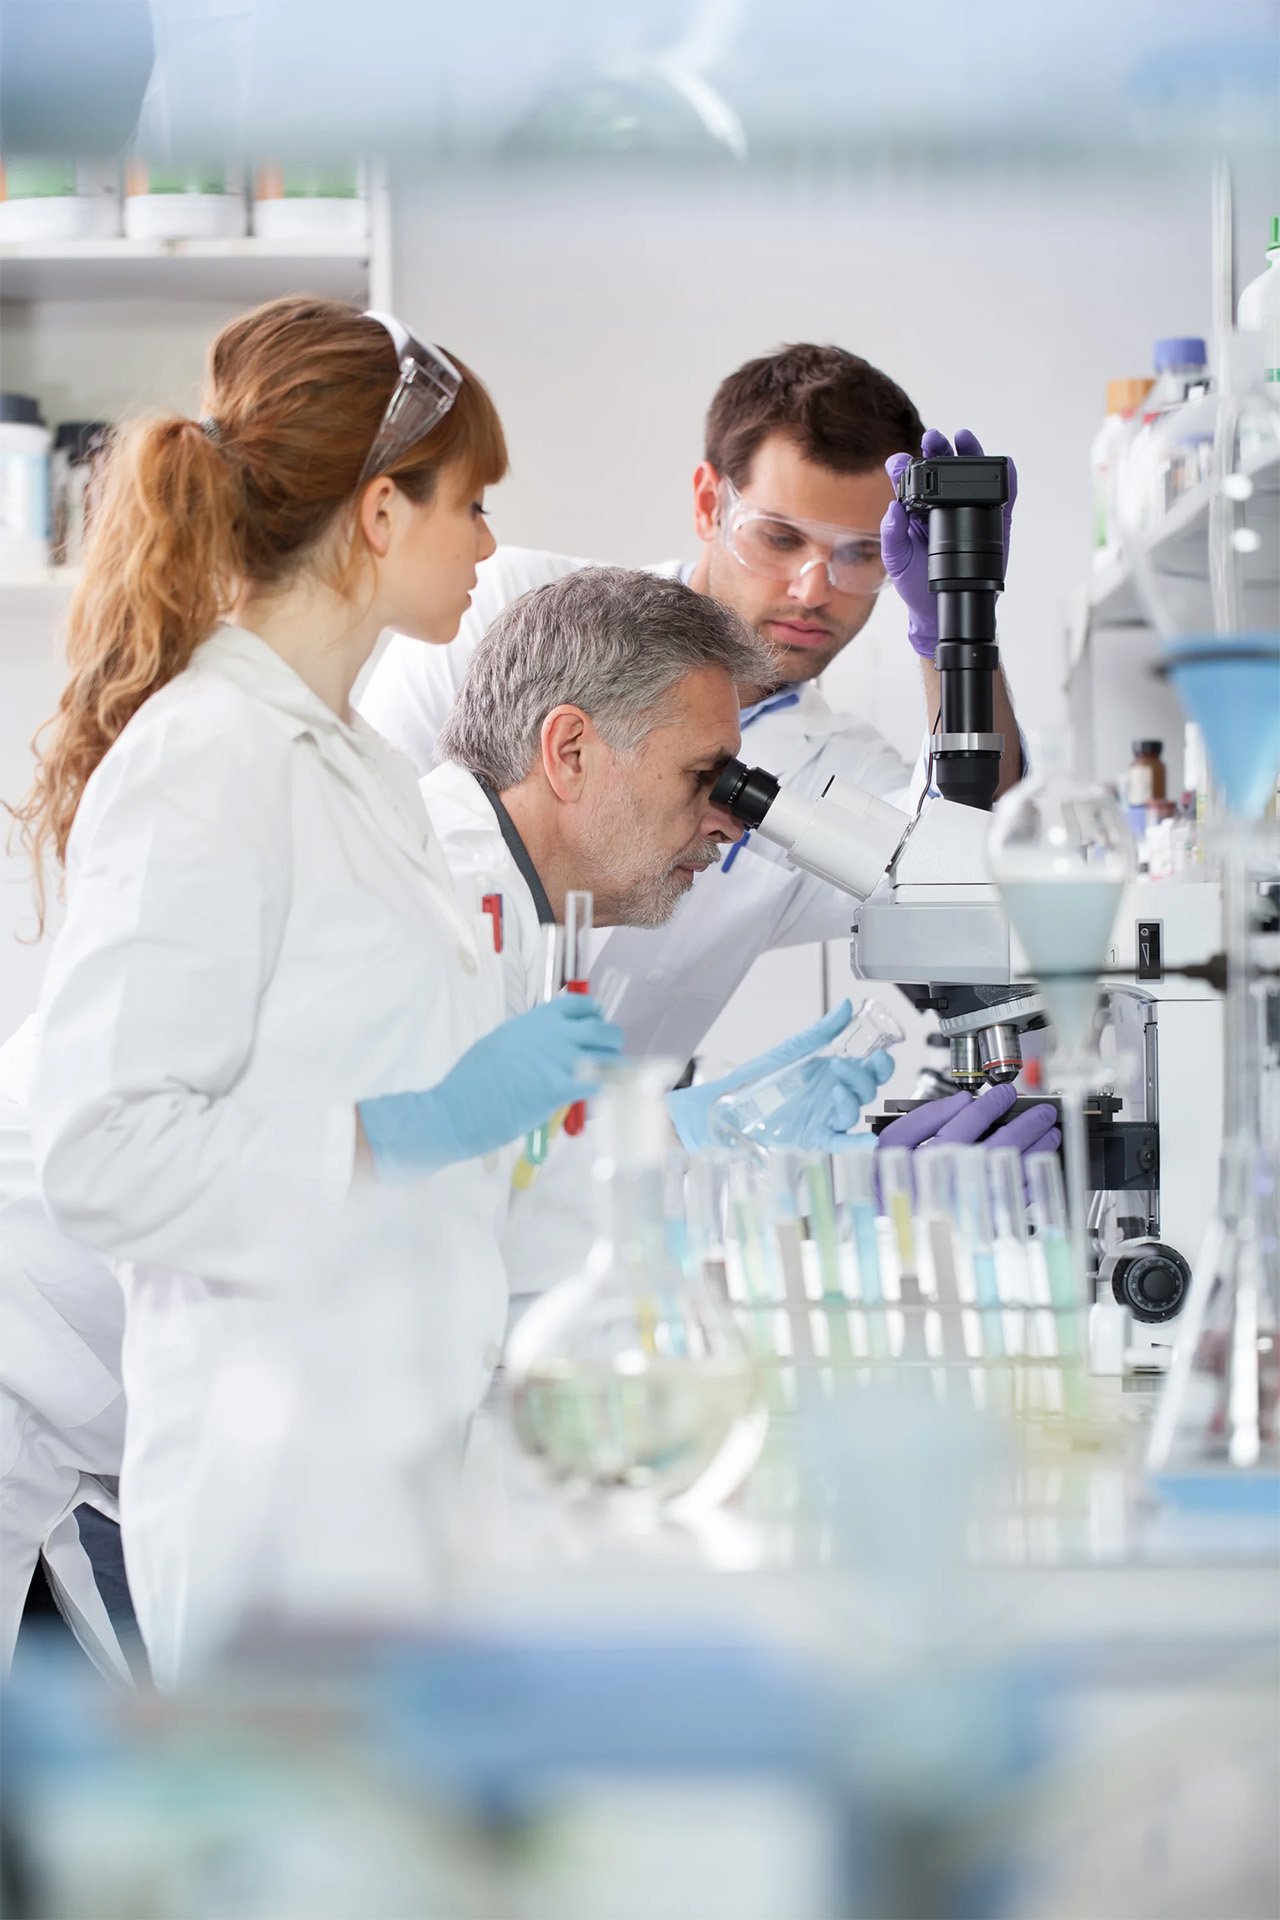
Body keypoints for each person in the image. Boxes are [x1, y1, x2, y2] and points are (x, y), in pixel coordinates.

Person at [10, 295, 625, 1686]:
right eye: (471, 503)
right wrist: (408, 1127)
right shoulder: (207, 759)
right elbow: (104, 1151)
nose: (488, 543)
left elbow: (358, 1069)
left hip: (382, 1460)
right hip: (266, 1496)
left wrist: (588, 1131)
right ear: (380, 513)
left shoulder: (352, 768)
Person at [358, 344, 1027, 1062]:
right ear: (711, 502)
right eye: (779, 537)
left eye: (861, 555)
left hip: (591, 1142)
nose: (813, 587)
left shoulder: (835, 764)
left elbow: (961, 856)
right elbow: (369, 845)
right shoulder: (506, 607)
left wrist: (958, 629)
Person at [426, 566, 1059, 1303]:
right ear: (571, 752)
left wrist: (748, 1160)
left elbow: (528, 1182)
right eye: (704, 776)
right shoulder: (444, 922)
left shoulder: (505, 911)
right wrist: (795, 1191)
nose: (729, 822)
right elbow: (481, 1243)